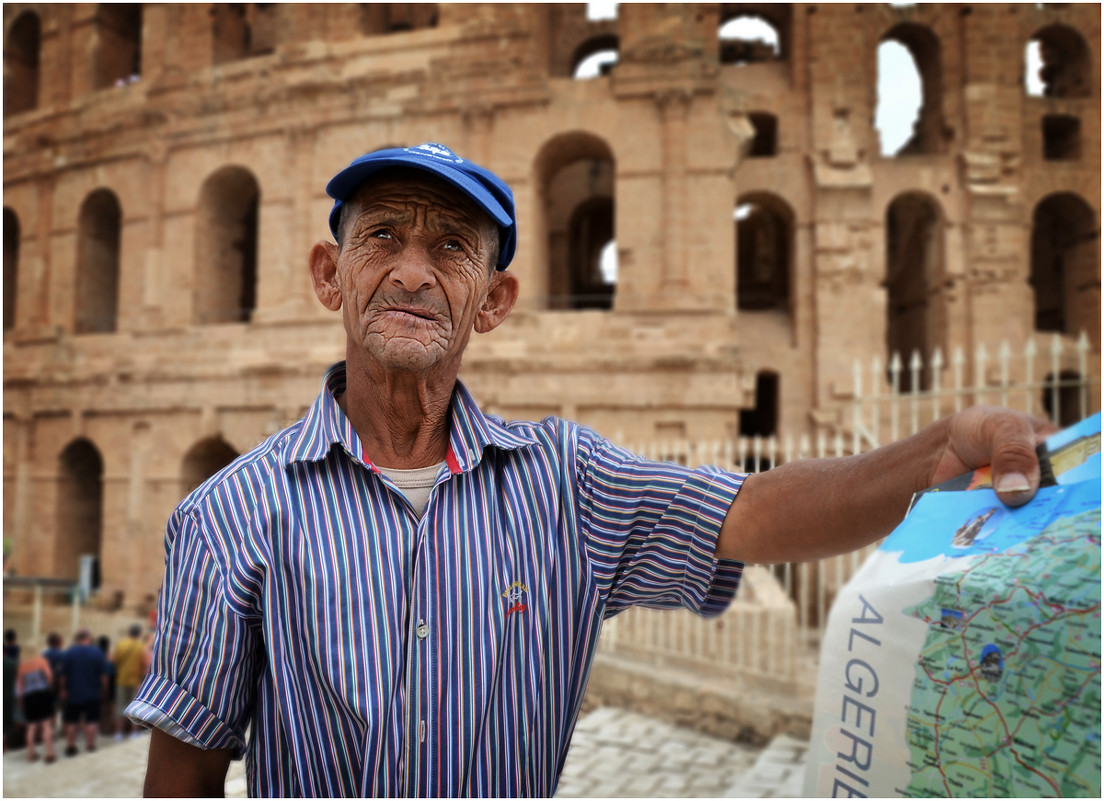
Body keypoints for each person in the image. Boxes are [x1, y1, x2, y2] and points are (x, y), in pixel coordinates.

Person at [128, 143, 1054, 797]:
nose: (412, 270)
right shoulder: (230, 515)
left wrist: (925, 457)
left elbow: (755, 510)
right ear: (331, 274)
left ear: (492, 301)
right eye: (383, 239)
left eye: (451, 247)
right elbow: (183, 777)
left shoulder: (565, 484)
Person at [58, 628, 108, 757]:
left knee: (71, 720)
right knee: (92, 720)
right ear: (89, 638)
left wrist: (63, 689)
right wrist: (104, 689)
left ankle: (71, 746)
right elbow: (103, 675)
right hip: (93, 692)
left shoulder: (69, 653)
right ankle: (90, 745)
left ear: (77, 638)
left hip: (73, 693)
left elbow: (63, 676)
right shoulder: (97, 653)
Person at [16, 645, 57, 763]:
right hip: (42, 694)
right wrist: (50, 689)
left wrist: (20, 702)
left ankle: (31, 753)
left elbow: (20, 687)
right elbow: (49, 676)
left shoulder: (21, 666)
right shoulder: (42, 661)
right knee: (46, 724)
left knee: (31, 726)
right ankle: (49, 753)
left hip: (28, 697)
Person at [111, 624, 147, 739]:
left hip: (121, 680)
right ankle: (134, 733)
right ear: (139, 633)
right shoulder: (141, 646)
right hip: (135, 682)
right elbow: (145, 665)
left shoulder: (120, 645)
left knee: (120, 707)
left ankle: (119, 733)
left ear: (129, 632)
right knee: (134, 709)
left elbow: (114, 661)